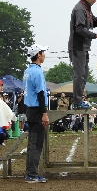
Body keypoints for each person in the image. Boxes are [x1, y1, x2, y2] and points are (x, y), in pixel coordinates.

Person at [68, 0, 97, 109]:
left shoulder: (87, 9)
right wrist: (95, 35)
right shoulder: (80, 9)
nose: (95, 0)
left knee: (84, 74)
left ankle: (79, 100)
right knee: (79, 74)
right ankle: (76, 102)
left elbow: (94, 22)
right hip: (78, 47)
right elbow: (80, 28)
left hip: (84, 47)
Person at [23, 44, 49, 183]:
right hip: (36, 110)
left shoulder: (27, 71)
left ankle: (30, 173)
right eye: (43, 52)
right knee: (36, 144)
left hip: (30, 109)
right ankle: (32, 174)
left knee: (31, 143)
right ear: (38, 55)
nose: (44, 54)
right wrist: (44, 113)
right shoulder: (37, 72)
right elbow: (40, 93)